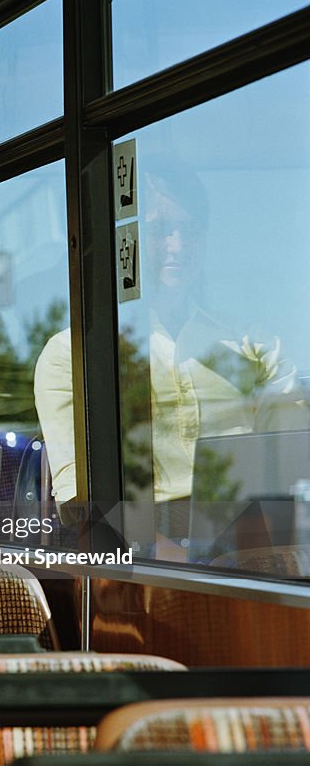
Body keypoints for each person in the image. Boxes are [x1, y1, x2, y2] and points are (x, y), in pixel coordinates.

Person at [34, 163, 305, 539]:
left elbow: (293, 463)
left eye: (189, 230)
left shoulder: (252, 344)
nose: (177, 245)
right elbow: (83, 505)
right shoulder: (71, 355)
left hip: (249, 544)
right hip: (139, 557)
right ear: (124, 239)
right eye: (160, 229)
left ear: (205, 241)